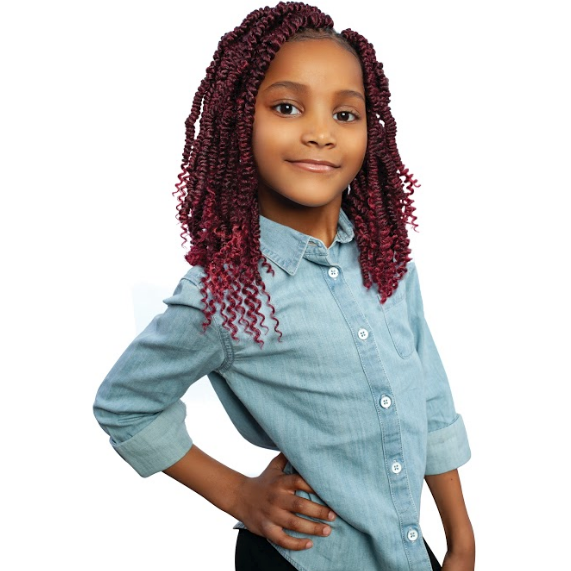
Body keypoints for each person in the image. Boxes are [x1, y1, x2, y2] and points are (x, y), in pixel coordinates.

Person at [93, 3, 475, 570]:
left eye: (345, 114)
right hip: (299, 558)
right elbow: (125, 404)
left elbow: (430, 396)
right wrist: (239, 494)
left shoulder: (387, 261)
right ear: (238, 122)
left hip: (404, 552)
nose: (320, 133)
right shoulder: (226, 291)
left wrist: (460, 539)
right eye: (287, 107)